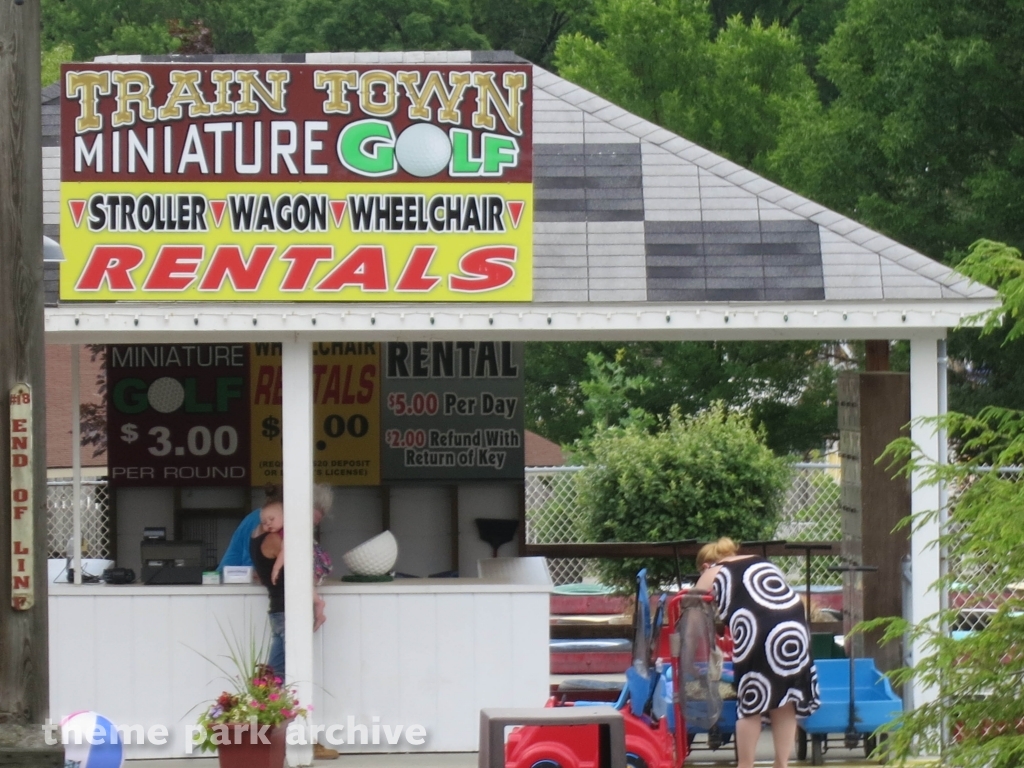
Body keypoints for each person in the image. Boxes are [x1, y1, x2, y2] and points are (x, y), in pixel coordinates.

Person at [695, 537, 819, 768]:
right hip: (794, 628)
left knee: (751, 700)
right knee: (784, 698)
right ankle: (781, 764)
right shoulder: (761, 562)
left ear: (705, 564)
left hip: (759, 629)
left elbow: (693, 608)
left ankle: (746, 765)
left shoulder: (713, 570)